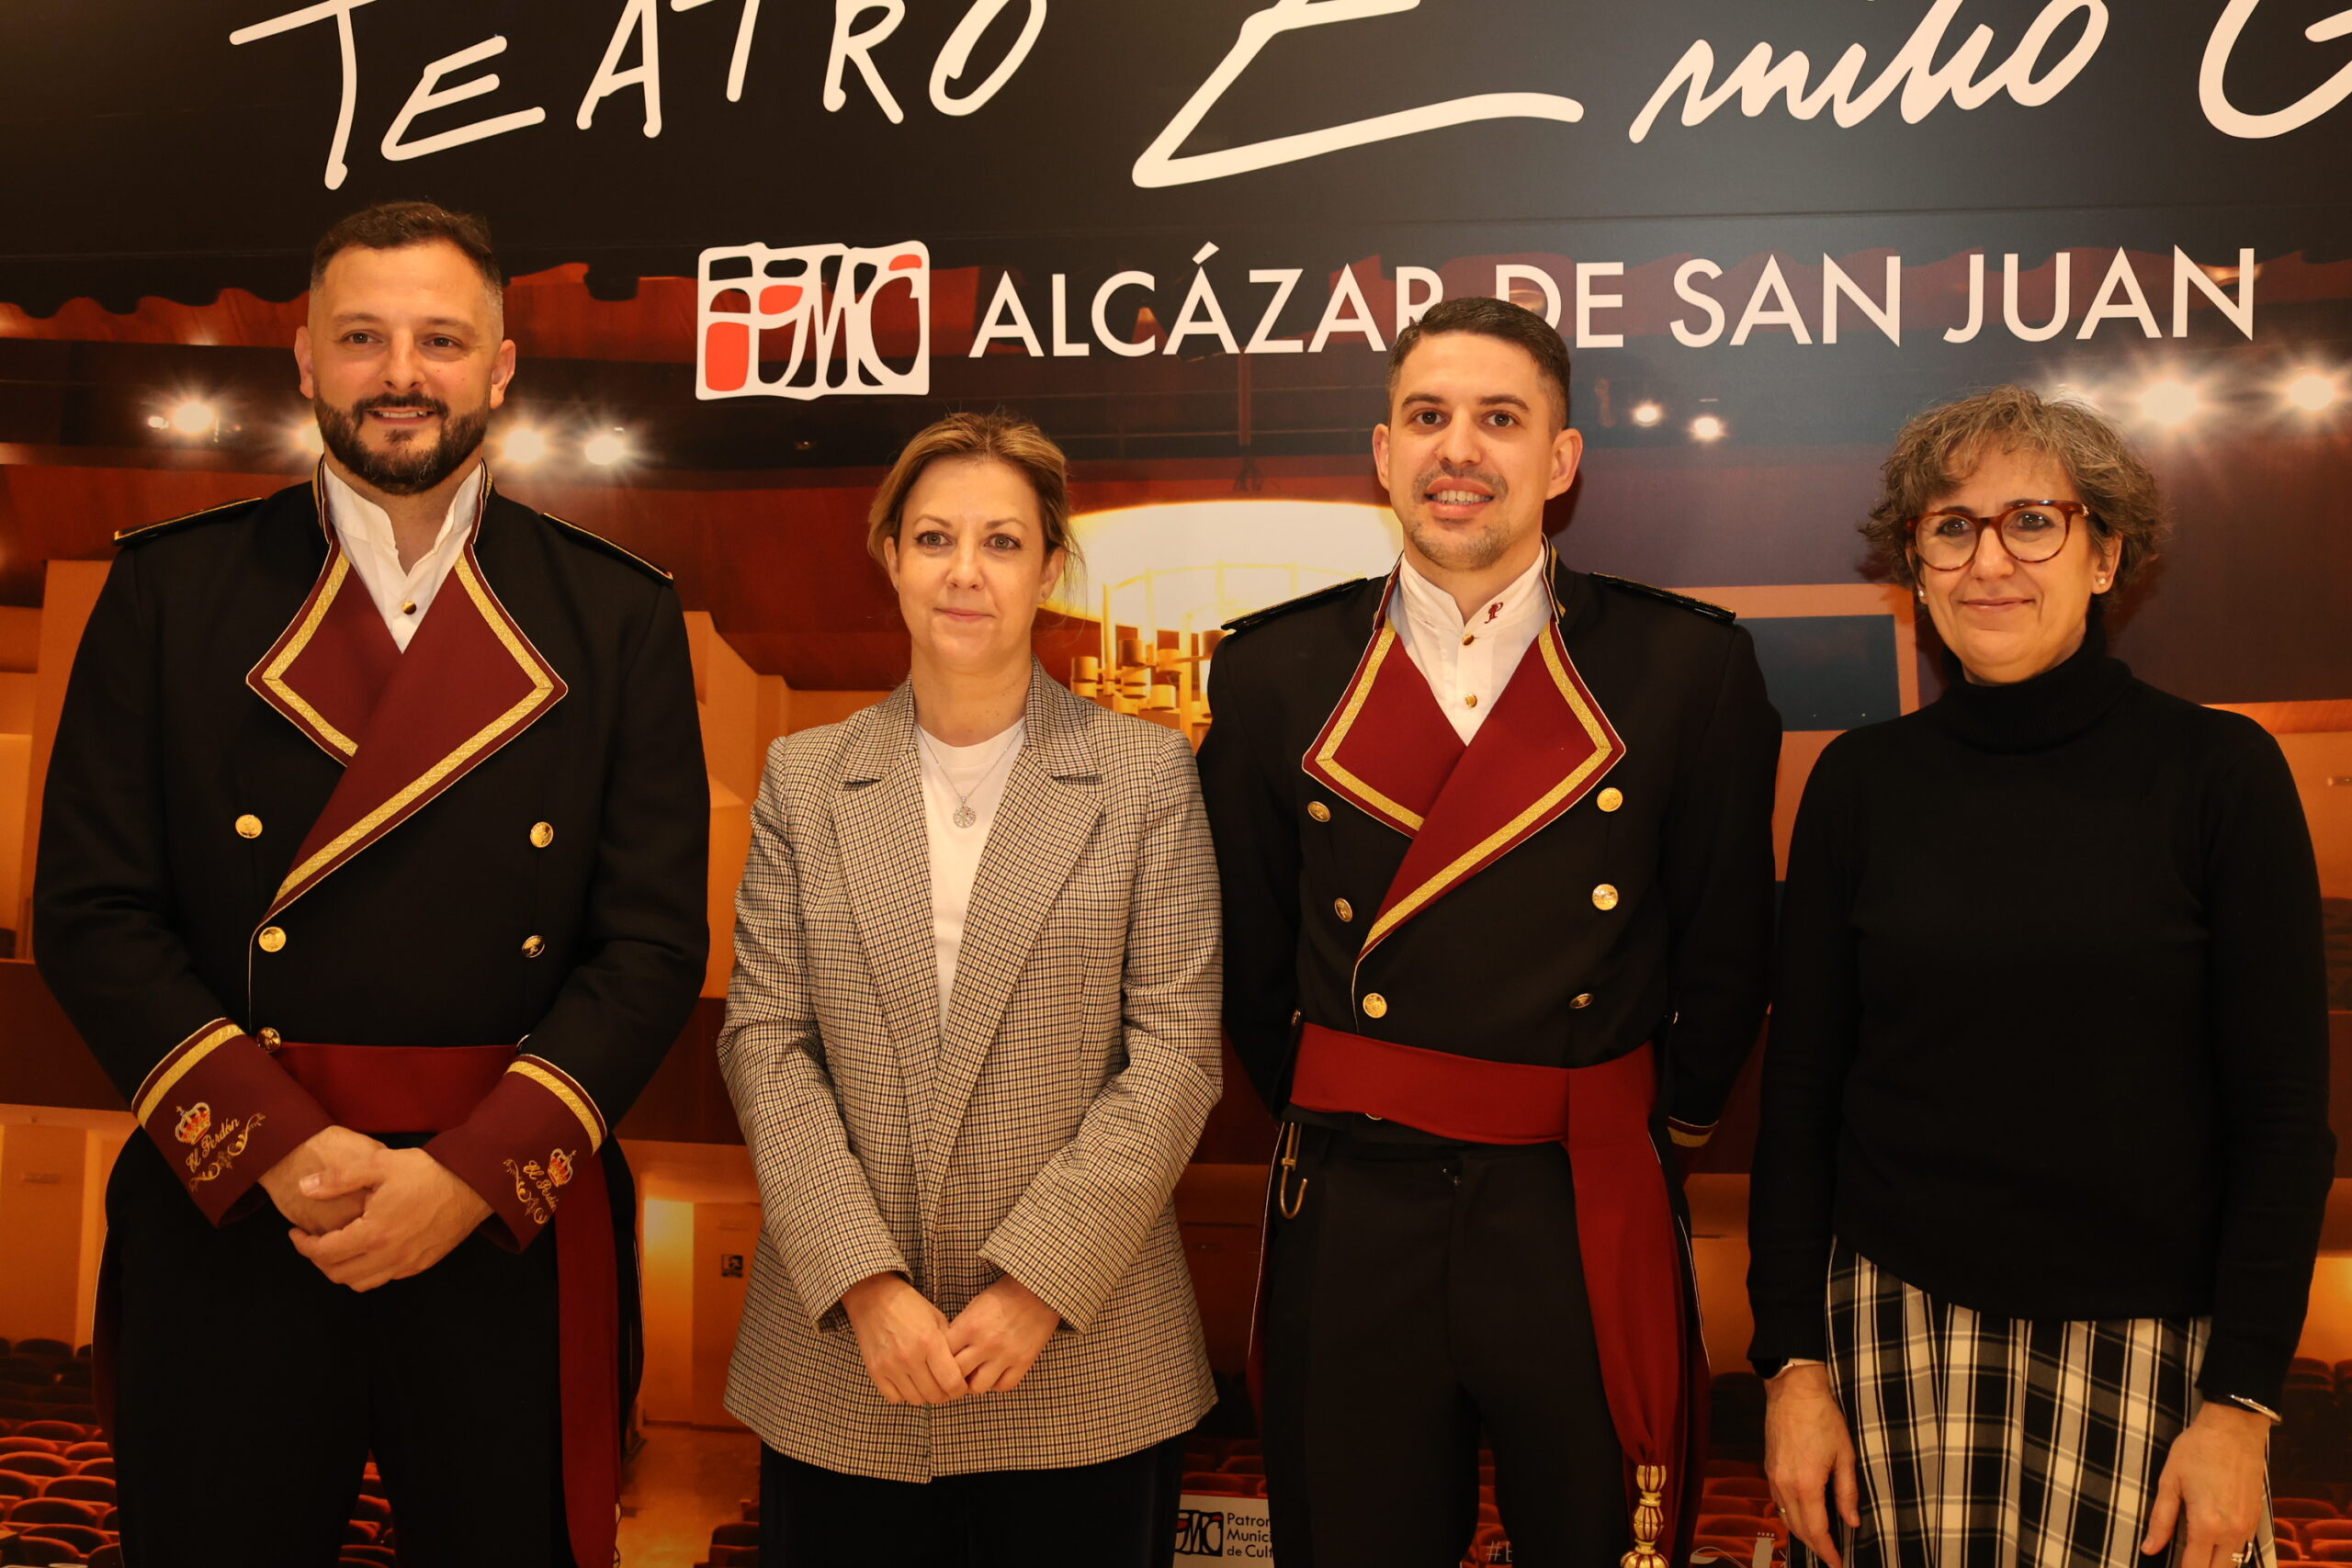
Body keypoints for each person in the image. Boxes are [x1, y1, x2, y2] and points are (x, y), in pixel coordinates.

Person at [33, 200, 709, 1568]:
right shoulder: (168, 593)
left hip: (503, 1219)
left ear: (500, 367)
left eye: (441, 340)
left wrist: (468, 1178)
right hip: (237, 1206)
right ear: (303, 359)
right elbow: (94, 913)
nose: (402, 372)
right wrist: (276, 1145)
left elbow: (647, 945)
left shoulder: (617, 613)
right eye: (362, 337)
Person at [1198, 295, 1782, 1568]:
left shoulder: (1685, 668)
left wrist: (1656, 1130)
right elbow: (1245, 955)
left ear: (1560, 460)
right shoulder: (1271, 673)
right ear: (1384, 452)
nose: (1458, 448)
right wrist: (1347, 1096)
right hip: (1353, 1196)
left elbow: (1728, 948)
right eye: (1427, 416)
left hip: (1577, 1193)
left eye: (1500, 419)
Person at [1748, 385, 2333, 1568]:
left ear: (2104, 554)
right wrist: (1792, 1365)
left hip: (2156, 1357)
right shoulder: (1859, 786)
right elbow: (1801, 1095)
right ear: (1915, 566)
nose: (1988, 561)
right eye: (1950, 527)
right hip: (1893, 1338)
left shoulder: (2221, 773)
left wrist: (2241, 1404)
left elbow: (2281, 1119)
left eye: (2031, 521)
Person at [717, 412, 1221, 1568]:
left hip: (1082, 1360)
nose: (964, 571)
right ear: (890, 556)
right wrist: (863, 1283)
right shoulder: (805, 774)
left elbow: (1176, 1053)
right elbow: (766, 1042)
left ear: (1049, 568)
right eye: (935, 537)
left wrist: (1040, 1282)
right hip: (846, 1365)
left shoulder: (1144, 773)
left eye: (1002, 542)